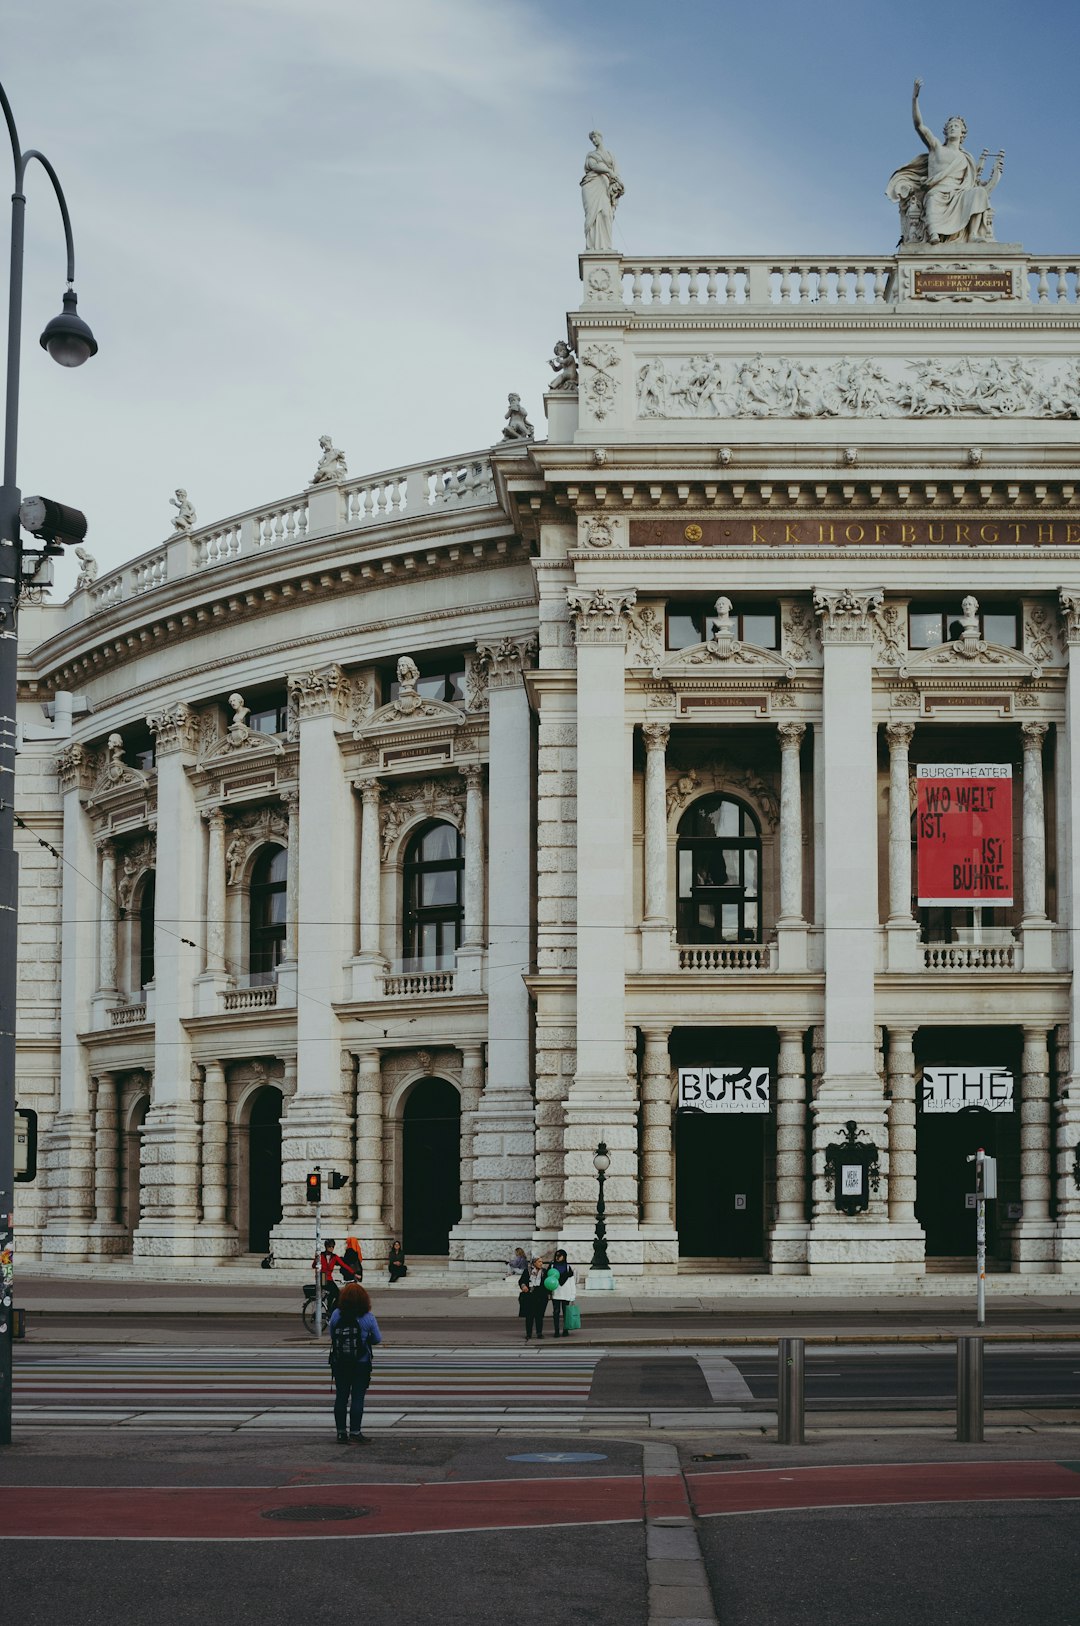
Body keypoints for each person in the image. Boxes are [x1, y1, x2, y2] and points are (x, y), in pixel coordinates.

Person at [327, 1281, 382, 1442]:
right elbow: (377, 1339)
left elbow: (332, 1334)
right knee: (358, 1397)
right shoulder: (368, 1317)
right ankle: (356, 1432)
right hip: (361, 1362)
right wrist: (366, 1339)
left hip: (340, 1362)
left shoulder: (337, 1314)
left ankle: (341, 1432)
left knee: (341, 1396)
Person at [580, 129, 624, 251]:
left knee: (606, 214)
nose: (594, 140)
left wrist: (616, 183)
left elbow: (616, 172)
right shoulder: (590, 155)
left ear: (600, 137)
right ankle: (593, 246)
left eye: (595, 137)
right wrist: (609, 171)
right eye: (592, 139)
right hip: (592, 185)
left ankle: (605, 246)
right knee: (592, 216)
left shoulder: (610, 155)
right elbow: (593, 165)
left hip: (605, 186)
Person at [518, 1256, 549, 1342]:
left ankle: (539, 1333)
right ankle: (529, 1334)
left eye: (541, 1262)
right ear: (534, 1263)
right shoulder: (527, 1271)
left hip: (541, 1295)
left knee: (539, 1315)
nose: (541, 1263)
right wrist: (523, 1286)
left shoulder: (544, 1272)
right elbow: (521, 1281)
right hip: (530, 1295)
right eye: (539, 1262)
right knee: (529, 1316)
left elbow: (547, 1283)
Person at [312, 1238, 347, 1314]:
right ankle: (330, 1311)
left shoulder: (334, 1257)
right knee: (335, 1292)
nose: (331, 1248)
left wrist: (354, 1273)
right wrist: (316, 1258)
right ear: (326, 1246)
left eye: (332, 1246)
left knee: (337, 1294)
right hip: (323, 1276)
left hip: (329, 1278)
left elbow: (343, 1265)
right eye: (329, 1246)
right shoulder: (321, 1255)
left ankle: (330, 1310)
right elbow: (313, 1265)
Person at [548, 1249, 576, 1337]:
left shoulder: (568, 1267)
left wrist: (573, 1295)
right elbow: (548, 1280)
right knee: (556, 1312)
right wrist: (549, 1292)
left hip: (566, 1293)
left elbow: (572, 1281)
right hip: (555, 1292)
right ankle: (556, 1331)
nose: (557, 1257)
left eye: (559, 1255)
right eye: (556, 1255)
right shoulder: (552, 1266)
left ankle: (565, 1330)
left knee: (566, 1313)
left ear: (564, 1256)